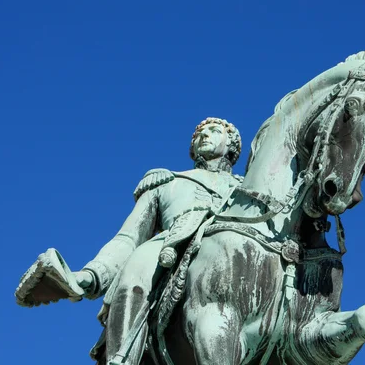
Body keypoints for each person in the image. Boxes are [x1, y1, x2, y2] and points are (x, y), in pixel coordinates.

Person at [77, 117, 243, 364]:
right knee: (135, 274)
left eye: (214, 130)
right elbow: (128, 238)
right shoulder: (167, 181)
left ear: (231, 144)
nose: (204, 135)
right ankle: (122, 357)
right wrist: (92, 275)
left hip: (234, 251)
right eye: (199, 134)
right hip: (170, 244)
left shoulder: (248, 189)